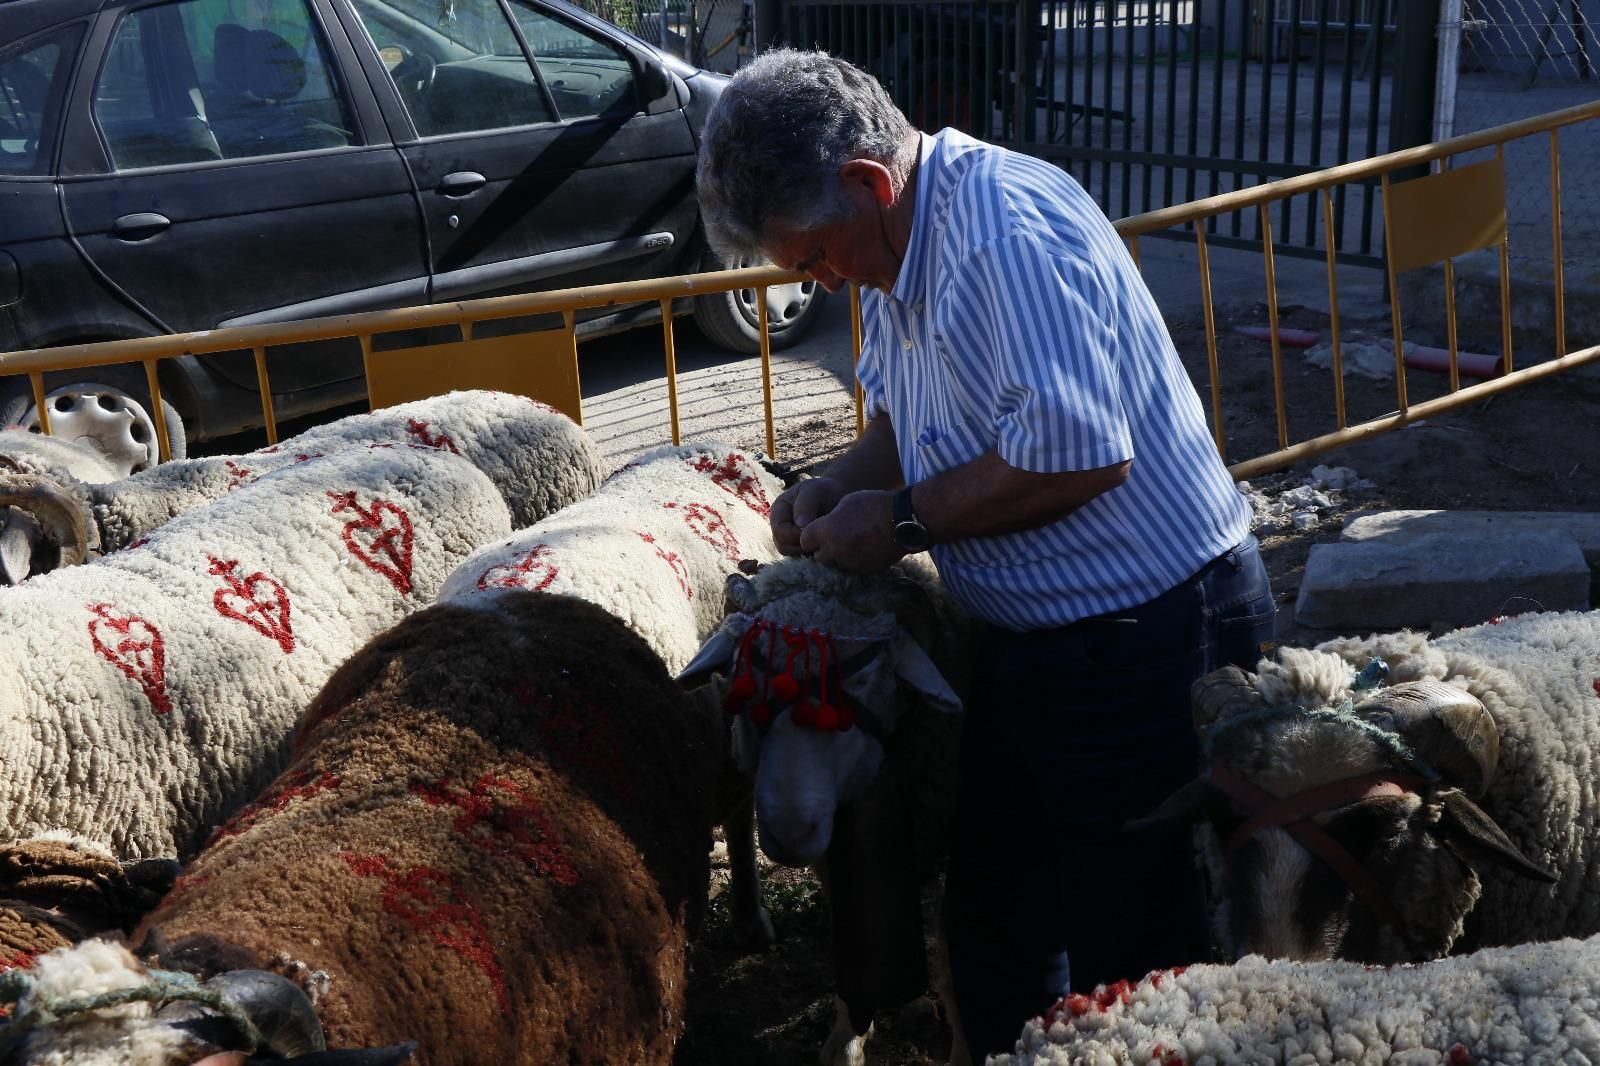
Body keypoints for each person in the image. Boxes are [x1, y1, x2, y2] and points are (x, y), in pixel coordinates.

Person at [695, 49, 1276, 1060]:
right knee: (997, 929)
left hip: (1150, 632)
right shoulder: (888, 240)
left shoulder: (1004, 235)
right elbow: (910, 419)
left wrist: (900, 522)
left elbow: (1080, 452)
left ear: (869, 183)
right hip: (1032, 636)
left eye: (817, 258)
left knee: (1131, 962)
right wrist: (845, 479)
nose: (821, 283)